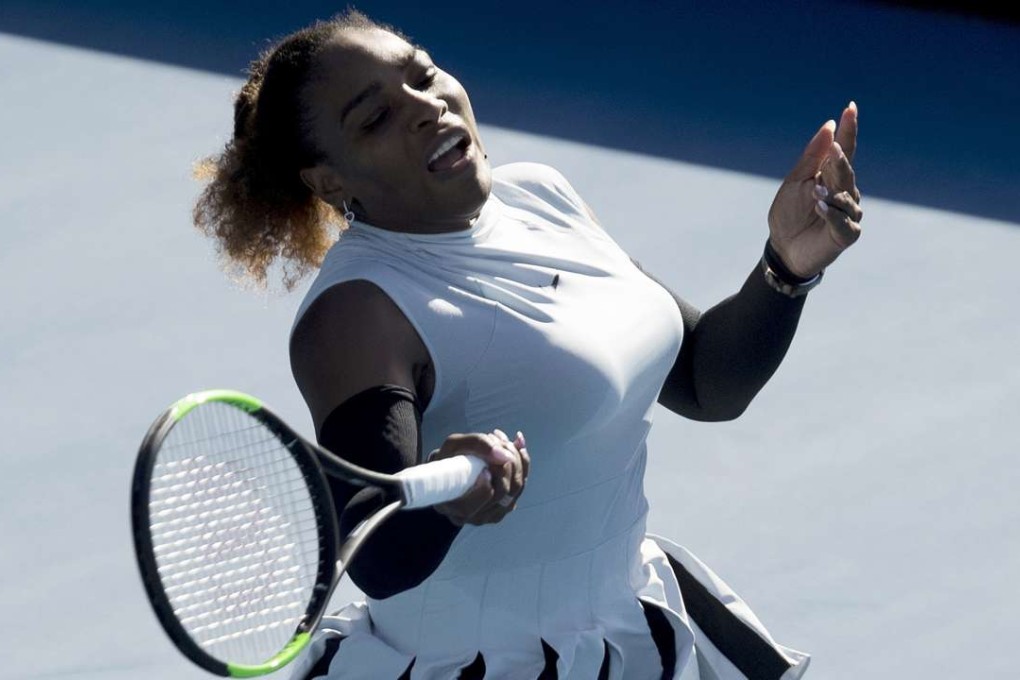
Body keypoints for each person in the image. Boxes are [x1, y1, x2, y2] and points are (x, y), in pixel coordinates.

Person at [193, 9, 861, 680]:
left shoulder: (542, 195)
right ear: (329, 181)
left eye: (423, 76)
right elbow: (378, 551)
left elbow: (705, 382)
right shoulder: (360, 312)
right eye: (375, 119)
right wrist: (449, 503)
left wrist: (786, 265)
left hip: (630, 633)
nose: (427, 109)